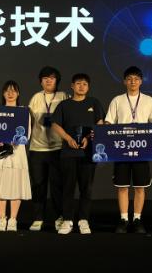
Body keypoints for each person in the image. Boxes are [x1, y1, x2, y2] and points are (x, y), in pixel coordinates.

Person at [105, 66, 152, 234]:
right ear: (124, 81)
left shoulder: (149, 100)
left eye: (136, 79)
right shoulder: (117, 100)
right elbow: (108, 122)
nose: (133, 82)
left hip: (142, 149)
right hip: (121, 149)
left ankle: (137, 219)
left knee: (140, 186)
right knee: (122, 186)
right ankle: (123, 219)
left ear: (141, 81)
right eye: (129, 79)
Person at [51, 73, 105, 235]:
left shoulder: (94, 103)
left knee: (86, 188)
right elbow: (55, 124)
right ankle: (68, 220)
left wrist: (89, 138)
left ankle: (83, 220)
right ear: (72, 86)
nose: (81, 86)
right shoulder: (64, 105)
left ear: (88, 87)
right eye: (78, 83)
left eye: (85, 84)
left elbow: (100, 123)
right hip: (68, 153)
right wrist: (68, 138)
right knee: (68, 188)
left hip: (88, 153)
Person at [0, 80, 32, 232]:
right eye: (7, 90)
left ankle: (12, 219)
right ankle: (1, 219)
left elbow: (27, 134)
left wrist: (15, 140)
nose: (10, 93)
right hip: (0, 152)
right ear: (3, 93)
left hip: (17, 153)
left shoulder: (23, 111)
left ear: (18, 93)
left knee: (15, 185)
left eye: (13, 90)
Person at [27, 66, 69, 231]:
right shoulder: (36, 97)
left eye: (52, 78)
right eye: (45, 78)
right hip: (37, 149)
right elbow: (28, 122)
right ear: (41, 81)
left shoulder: (64, 96)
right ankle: (38, 218)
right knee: (38, 185)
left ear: (57, 80)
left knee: (58, 186)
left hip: (58, 148)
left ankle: (60, 217)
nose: (48, 81)